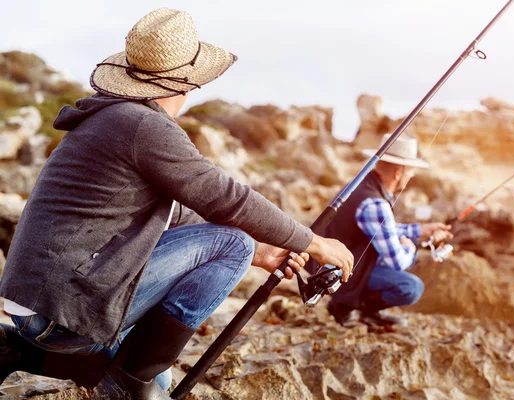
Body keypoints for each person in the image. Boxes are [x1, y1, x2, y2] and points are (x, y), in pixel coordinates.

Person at [0, 8, 354, 399]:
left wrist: (264, 251)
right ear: (187, 84)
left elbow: (178, 213)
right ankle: (126, 383)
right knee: (231, 243)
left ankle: (25, 354)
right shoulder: (141, 125)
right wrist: (313, 242)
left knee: (163, 380)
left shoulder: (113, 119)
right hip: (59, 310)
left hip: (37, 306)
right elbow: (226, 200)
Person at [313, 134, 453, 327]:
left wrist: (421, 230)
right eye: (410, 171)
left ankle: (354, 305)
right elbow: (396, 262)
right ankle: (348, 306)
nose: (411, 176)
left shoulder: (360, 187)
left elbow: (382, 229)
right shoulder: (375, 203)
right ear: (399, 172)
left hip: (332, 263)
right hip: (342, 271)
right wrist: (411, 249)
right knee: (411, 287)